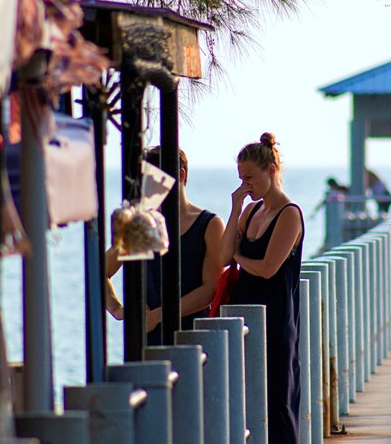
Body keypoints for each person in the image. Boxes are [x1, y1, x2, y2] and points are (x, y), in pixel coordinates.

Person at [220, 133, 304, 444]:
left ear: (270, 169)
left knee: (277, 402)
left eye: (250, 178)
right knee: (247, 401)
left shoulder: (289, 214)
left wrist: (239, 257)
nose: (246, 185)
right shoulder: (251, 211)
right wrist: (234, 207)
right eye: (241, 179)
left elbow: (268, 269)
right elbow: (222, 256)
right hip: (246, 318)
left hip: (277, 320)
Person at [105, 146, 226, 345]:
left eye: (156, 179)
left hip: (194, 342)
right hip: (147, 343)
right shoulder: (141, 223)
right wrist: (119, 310)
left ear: (181, 174)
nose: (151, 188)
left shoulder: (209, 224)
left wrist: (158, 316)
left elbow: (211, 289)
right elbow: (101, 271)